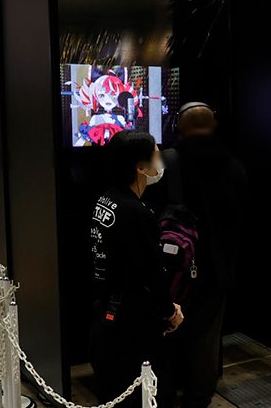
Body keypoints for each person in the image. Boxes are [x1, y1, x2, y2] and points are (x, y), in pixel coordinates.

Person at [146, 104, 246, 408]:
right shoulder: (234, 165)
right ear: (212, 125)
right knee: (206, 337)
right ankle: (198, 396)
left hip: (173, 266)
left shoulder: (167, 161)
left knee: (166, 330)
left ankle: (164, 393)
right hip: (216, 268)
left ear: (179, 126)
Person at [90, 131, 182, 407]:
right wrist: (169, 311)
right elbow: (151, 271)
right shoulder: (136, 212)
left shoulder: (106, 200)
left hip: (107, 311)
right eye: (156, 155)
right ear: (140, 167)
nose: (161, 161)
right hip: (133, 322)